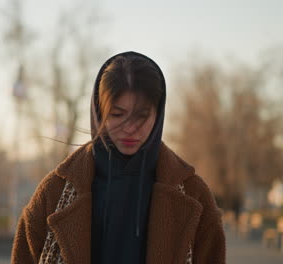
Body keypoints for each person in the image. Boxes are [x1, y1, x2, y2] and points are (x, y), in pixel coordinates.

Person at [11, 51, 226, 264]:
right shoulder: (54, 194)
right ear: (99, 111)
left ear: (158, 114)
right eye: (117, 114)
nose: (130, 128)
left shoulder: (194, 195)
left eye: (142, 115)